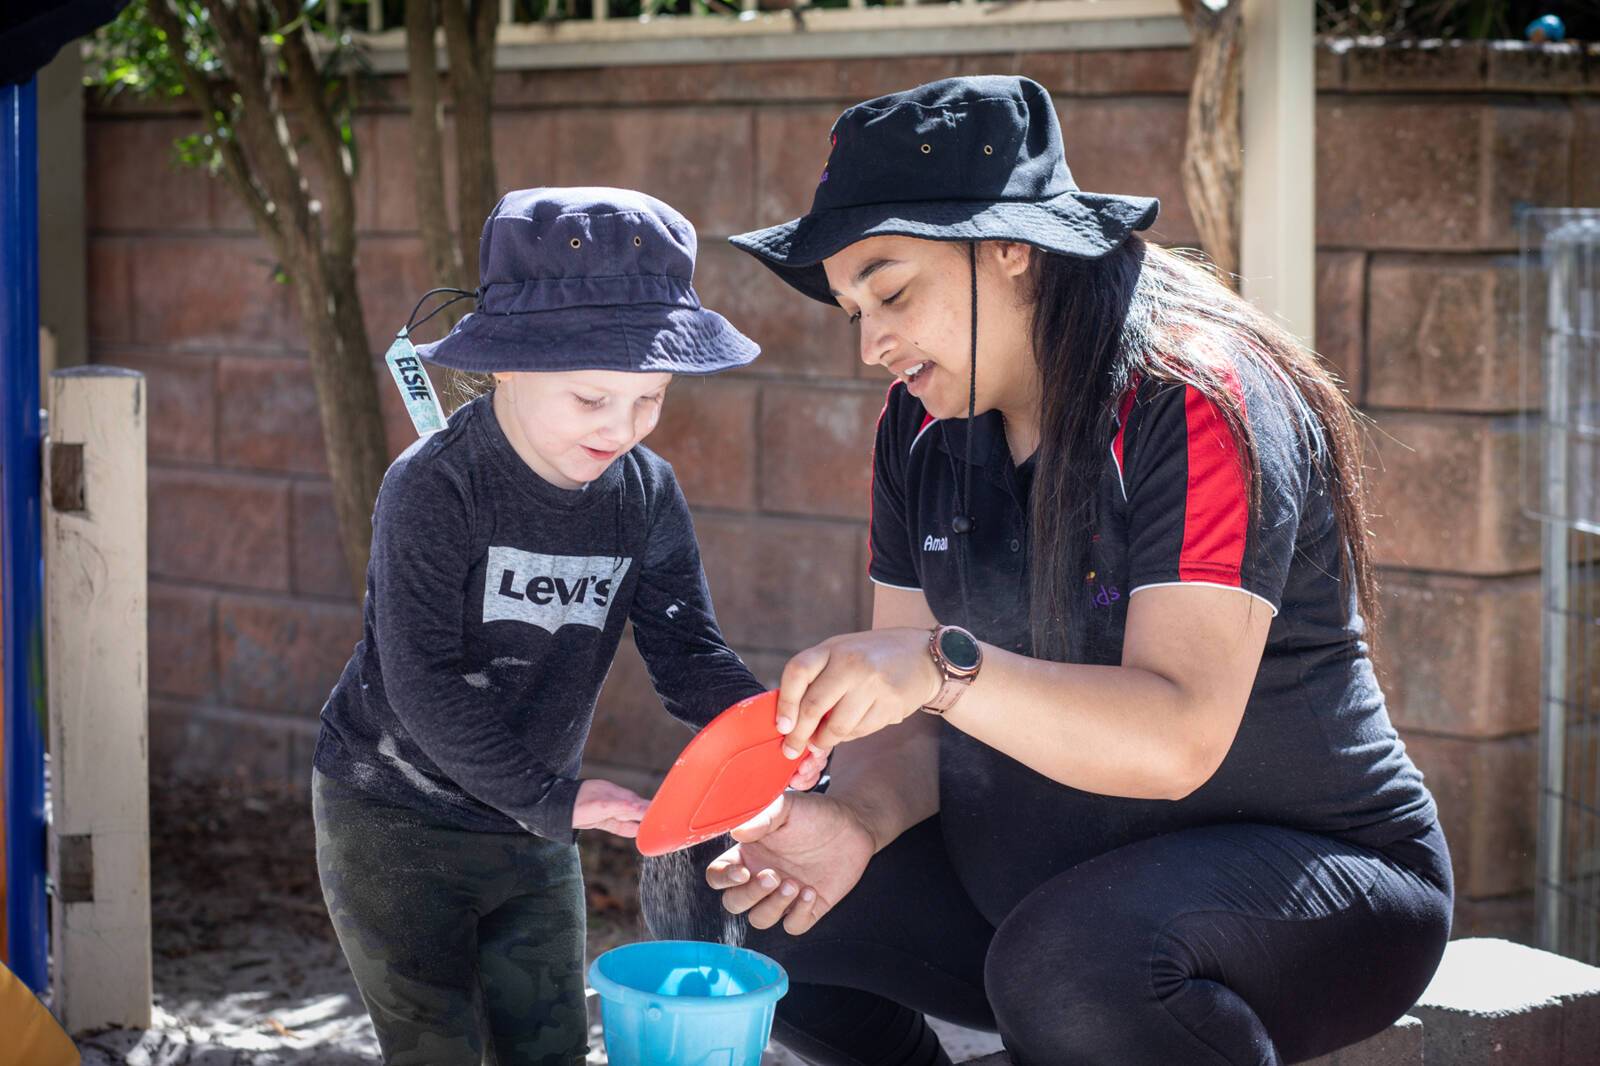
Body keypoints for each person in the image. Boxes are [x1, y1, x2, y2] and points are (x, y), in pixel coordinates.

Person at [670, 76, 1453, 1066]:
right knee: (732, 876)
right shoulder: (917, 424)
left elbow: (1175, 735)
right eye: (851, 308)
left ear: (1010, 249)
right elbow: (908, 726)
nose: (871, 343)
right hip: (1031, 902)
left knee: (1074, 964)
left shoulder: (1195, 397)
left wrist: (942, 666)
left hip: (1311, 892)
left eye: (893, 289)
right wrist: (852, 818)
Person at [311, 187, 823, 1066]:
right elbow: (420, 677)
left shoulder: (644, 492)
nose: (622, 428)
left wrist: (776, 732)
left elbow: (687, 651)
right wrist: (555, 797)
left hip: (532, 823)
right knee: (437, 1046)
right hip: (390, 815)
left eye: (650, 399)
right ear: (506, 364)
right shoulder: (435, 485)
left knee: (547, 1042)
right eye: (592, 399)